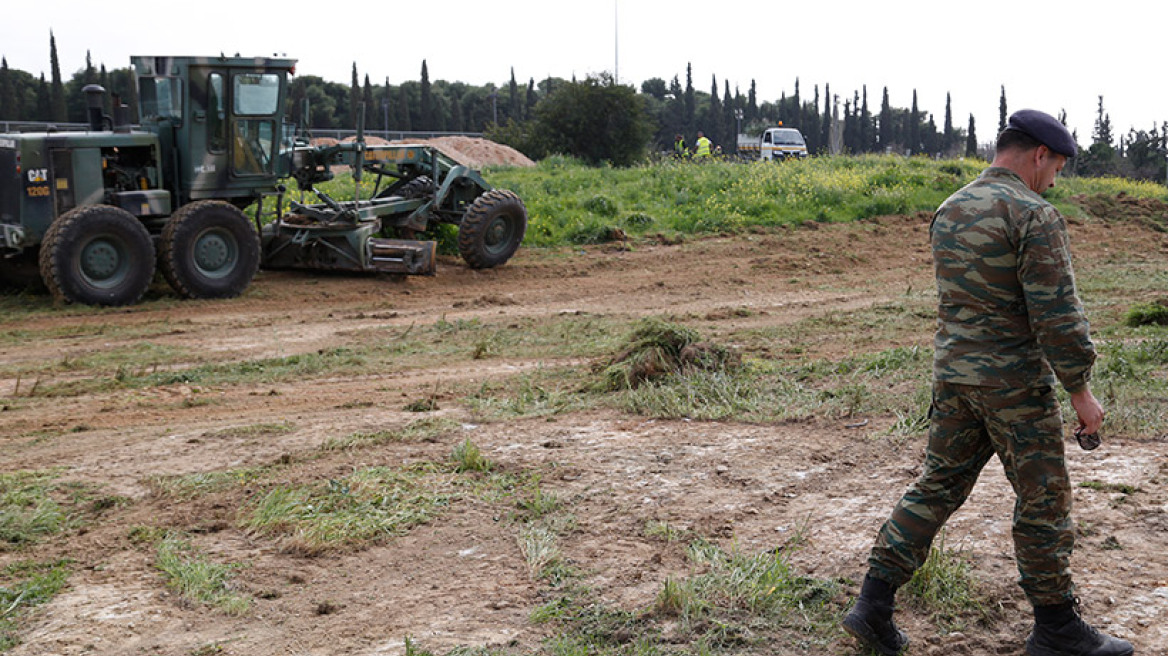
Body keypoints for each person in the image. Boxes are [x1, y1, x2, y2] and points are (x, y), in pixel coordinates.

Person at [841, 109, 1134, 656]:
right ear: (1039, 154)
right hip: (1013, 387)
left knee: (936, 487)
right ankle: (1057, 630)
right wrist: (1080, 390)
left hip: (954, 378)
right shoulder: (1033, 214)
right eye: (1057, 168)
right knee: (1043, 499)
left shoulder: (950, 208)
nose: (1055, 180)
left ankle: (872, 605)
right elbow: (1056, 314)